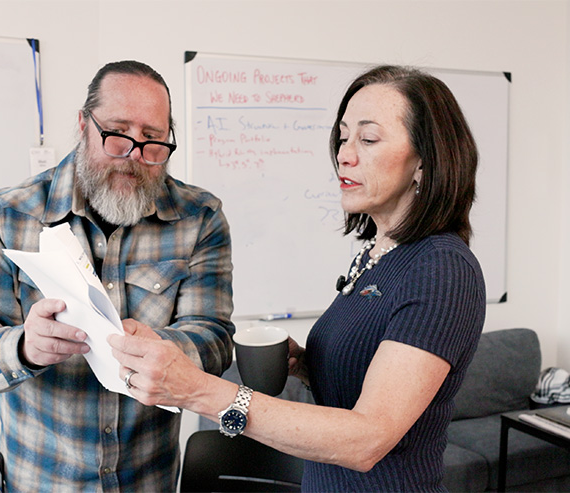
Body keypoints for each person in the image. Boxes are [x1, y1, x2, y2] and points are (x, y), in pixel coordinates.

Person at [108, 65, 487, 491]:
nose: (344, 153)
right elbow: (365, 372)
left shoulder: (442, 268)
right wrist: (305, 363)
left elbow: (368, 439)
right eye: (343, 137)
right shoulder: (376, 254)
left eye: (368, 138)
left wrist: (198, 391)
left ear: (423, 160)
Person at [0, 60, 235, 492]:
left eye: (153, 140)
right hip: (39, 482)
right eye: (117, 133)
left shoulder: (200, 218)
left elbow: (214, 341)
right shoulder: (10, 214)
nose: (134, 157)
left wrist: (166, 351)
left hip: (149, 481)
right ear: (83, 124)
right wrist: (25, 346)